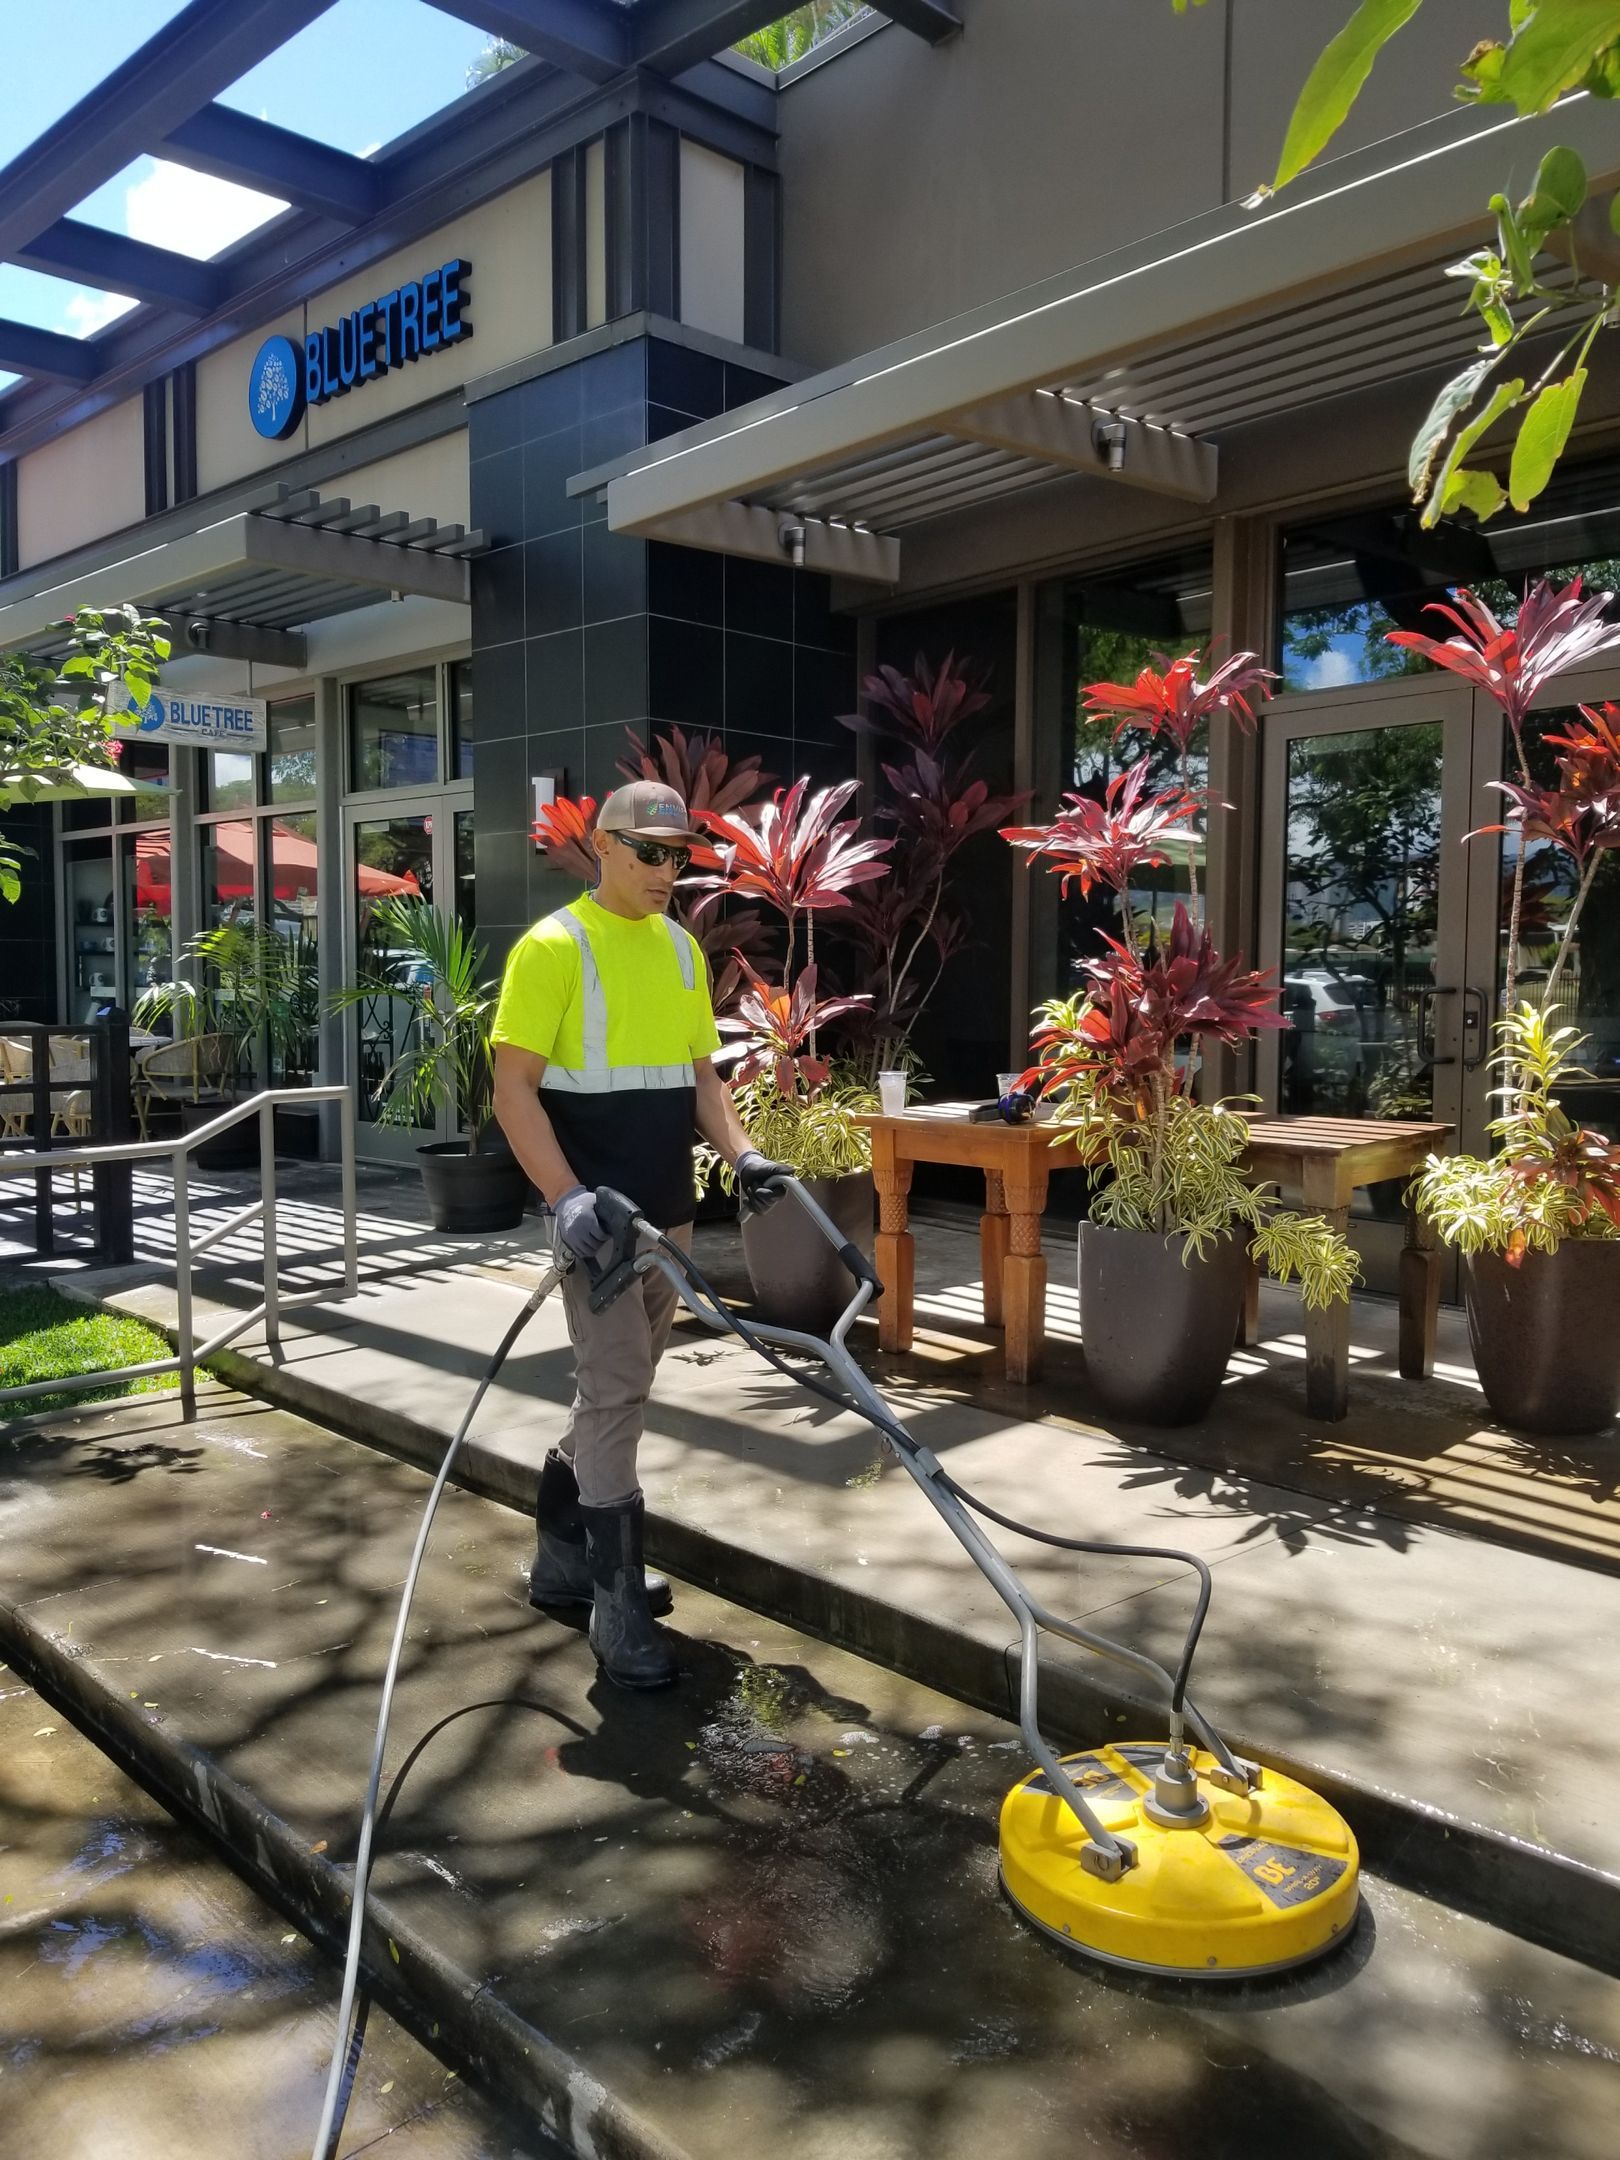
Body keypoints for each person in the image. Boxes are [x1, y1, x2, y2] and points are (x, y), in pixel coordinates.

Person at [491, 780, 788, 1691]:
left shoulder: (680, 951)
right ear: (606, 848)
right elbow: (513, 1091)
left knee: (623, 1386)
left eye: (681, 855)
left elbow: (701, 1080)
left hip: (672, 1212)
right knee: (616, 1390)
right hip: (599, 1221)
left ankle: (561, 1557)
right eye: (651, 852)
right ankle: (616, 1607)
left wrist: (746, 1157)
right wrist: (566, 1197)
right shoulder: (553, 948)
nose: (668, 870)